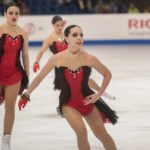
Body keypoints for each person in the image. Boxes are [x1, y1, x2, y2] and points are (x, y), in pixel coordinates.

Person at [18, 25, 118, 150]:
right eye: (75, 35)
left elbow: (107, 74)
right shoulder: (57, 58)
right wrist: (26, 94)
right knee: (81, 131)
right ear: (67, 38)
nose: (79, 37)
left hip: (88, 101)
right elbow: (39, 77)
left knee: (102, 135)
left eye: (81, 35)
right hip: (69, 103)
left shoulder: (89, 58)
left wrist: (98, 94)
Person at [33, 15, 115, 100]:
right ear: (53, 25)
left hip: (76, 60)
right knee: (67, 85)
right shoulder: (49, 39)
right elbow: (41, 51)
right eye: (57, 25)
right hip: (61, 65)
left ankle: (101, 92)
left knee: (85, 80)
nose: (60, 27)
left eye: (61, 25)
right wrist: (36, 61)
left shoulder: (68, 35)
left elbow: (78, 47)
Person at [0, 2, 29, 150]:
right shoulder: (0, 29)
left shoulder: (23, 33)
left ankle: (6, 141)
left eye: (16, 13)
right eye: (11, 13)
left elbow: (25, 55)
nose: (14, 16)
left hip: (14, 74)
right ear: (5, 14)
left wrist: (27, 76)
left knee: (10, 107)